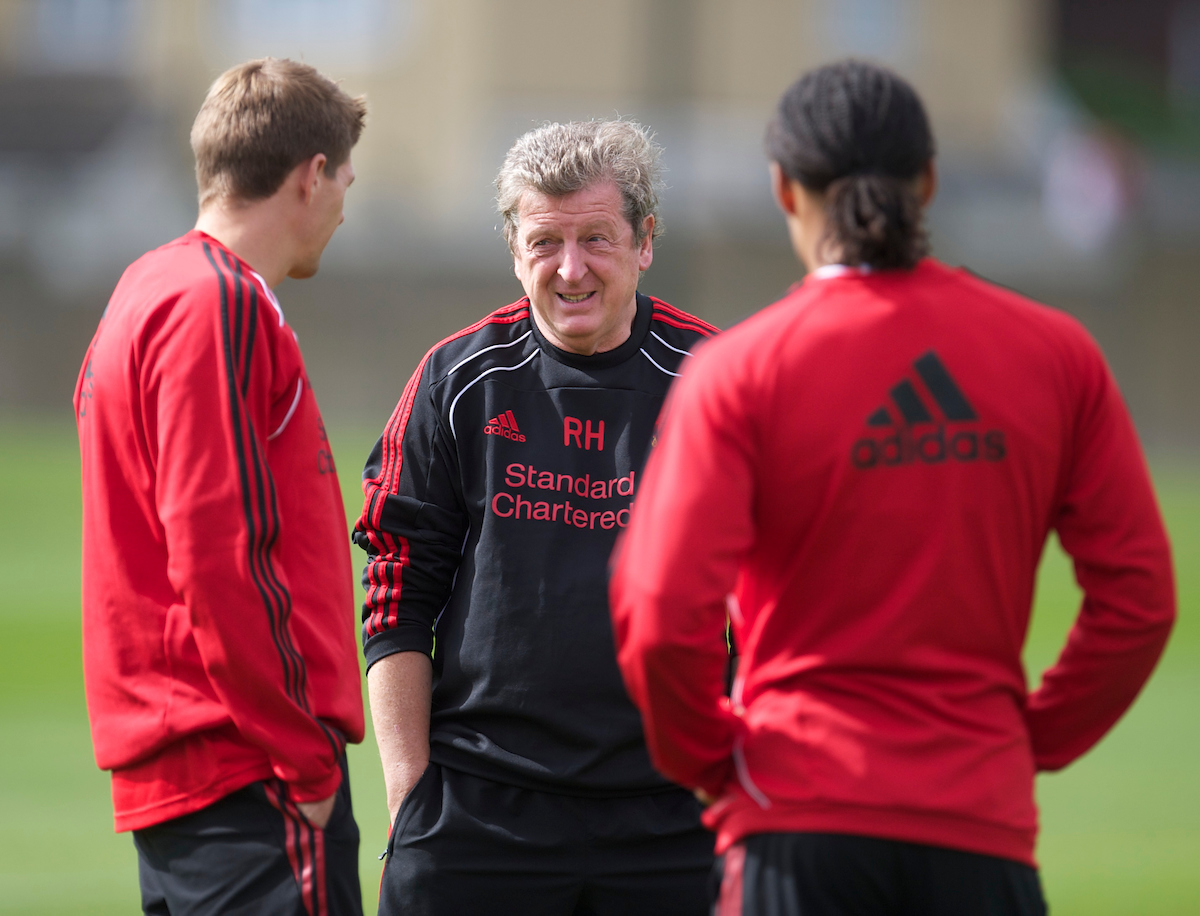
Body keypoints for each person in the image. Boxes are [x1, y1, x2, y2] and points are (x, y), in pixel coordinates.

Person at [609, 60, 1176, 916]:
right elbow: (1140, 599)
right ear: (930, 183)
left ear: (784, 191)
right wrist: (1023, 741)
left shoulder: (739, 369)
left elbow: (658, 607)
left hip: (795, 822)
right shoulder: (1057, 354)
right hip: (979, 828)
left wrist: (710, 759)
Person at [355, 119, 718, 915]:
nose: (571, 268)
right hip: (479, 813)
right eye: (545, 241)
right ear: (514, 246)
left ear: (645, 240)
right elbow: (395, 592)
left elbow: (777, 598)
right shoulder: (458, 380)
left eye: (596, 238)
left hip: (674, 816)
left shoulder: (717, 383)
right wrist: (410, 797)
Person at [74, 58, 368, 916]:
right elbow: (219, 551)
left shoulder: (145, 288)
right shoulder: (218, 303)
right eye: (345, 180)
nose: (345, 206)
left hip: (187, 774)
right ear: (311, 177)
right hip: (247, 767)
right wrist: (304, 755)